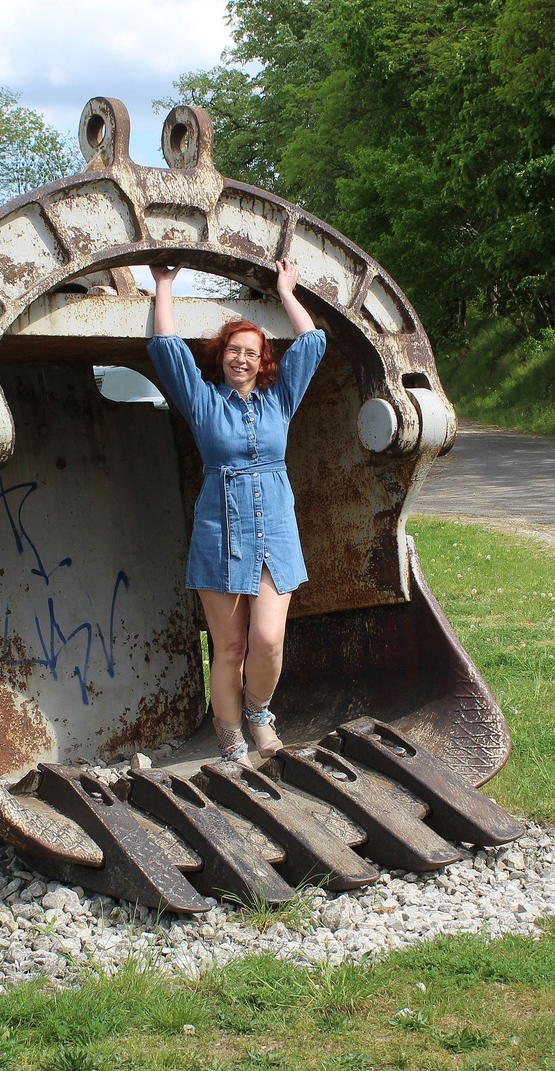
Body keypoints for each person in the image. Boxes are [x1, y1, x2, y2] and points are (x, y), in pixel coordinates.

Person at [145, 260, 325, 762]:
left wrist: (287, 291)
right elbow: (167, 352)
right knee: (229, 649)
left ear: (264, 360)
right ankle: (230, 742)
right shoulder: (204, 402)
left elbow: (312, 344)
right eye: (233, 351)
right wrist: (164, 285)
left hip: (275, 529)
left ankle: (259, 713)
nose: (241, 359)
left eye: (251, 352)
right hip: (220, 529)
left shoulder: (280, 401)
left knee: (267, 639)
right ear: (221, 357)